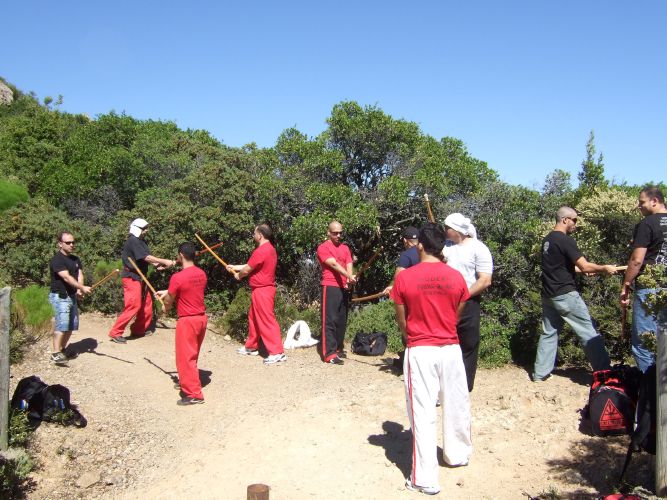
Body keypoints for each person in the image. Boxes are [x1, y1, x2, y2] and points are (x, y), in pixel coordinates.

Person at [390, 223, 471, 495]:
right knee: (456, 403)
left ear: (420, 245)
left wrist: (412, 334)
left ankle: (424, 478)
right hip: (450, 347)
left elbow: (402, 319)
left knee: (422, 412)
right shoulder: (456, 277)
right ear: (443, 246)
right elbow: (459, 310)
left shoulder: (404, 278)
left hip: (420, 348)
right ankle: (457, 454)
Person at [533, 207, 616, 382]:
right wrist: (604, 268)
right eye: (574, 220)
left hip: (549, 295)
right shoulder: (565, 240)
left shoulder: (547, 240)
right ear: (565, 220)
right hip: (565, 295)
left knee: (549, 333)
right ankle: (605, 374)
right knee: (588, 332)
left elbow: (561, 267)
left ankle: (539, 374)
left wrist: (584, 271)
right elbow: (585, 265)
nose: (576, 224)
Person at [442, 213, 493, 392]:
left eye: (447, 227)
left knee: (468, 343)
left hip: (469, 303)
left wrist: (463, 295)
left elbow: (485, 280)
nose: (445, 230)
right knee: (444, 344)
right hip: (444, 303)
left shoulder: (479, 248)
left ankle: (464, 386)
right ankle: (444, 386)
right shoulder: (445, 248)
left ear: (456, 230)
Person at [620, 185, 667, 373]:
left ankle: (649, 393)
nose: (639, 207)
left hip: (651, 288)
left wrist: (626, 284)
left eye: (641, 202)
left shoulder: (647, 224)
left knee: (643, 344)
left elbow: (637, 260)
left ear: (654, 201)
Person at [156, 242, 208, 406]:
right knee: (192, 355)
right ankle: (187, 381)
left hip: (188, 321)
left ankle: (194, 394)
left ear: (181, 255)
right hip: (201, 319)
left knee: (185, 358)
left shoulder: (177, 277)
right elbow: (186, 289)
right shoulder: (201, 274)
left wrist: (165, 306)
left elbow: (171, 299)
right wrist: (167, 292)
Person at [108, 218, 176, 344]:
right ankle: (116, 332)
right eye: (144, 228)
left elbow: (146, 259)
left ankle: (138, 330)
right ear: (137, 229)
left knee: (147, 304)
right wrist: (164, 261)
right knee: (133, 305)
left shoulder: (141, 242)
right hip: (131, 277)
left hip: (141, 277)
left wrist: (157, 265)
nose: (147, 231)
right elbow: (147, 257)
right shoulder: (133, 240)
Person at [227, 224, 286, 365]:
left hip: (263, 290)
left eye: (254, 233)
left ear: (260, 235)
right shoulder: (269, 249)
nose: (253, 235)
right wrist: (234, 267)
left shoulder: (261, 250)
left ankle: (277, 352)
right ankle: (251, 347)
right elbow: (251, 265)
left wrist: (238, 276)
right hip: (261, 289)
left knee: (266, 319)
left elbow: (247, 270)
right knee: (253, 318)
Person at [48, 232, 92, 365]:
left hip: (71, 296)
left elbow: (79, 274)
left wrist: (79, 289)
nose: (72, 245)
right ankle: (55, 353)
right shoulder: (57, 260)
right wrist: (83, 287)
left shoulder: (75, 259)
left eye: (73, 242)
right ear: (60, 244)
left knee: (71, 325)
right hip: (60, 297)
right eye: (68, 243)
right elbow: (66, 277)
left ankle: (62, 350)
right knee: (61, 326)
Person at [317, 221, 356, 364]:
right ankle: (329, 354)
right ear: (328, 232)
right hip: (330, 285)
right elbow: (333, 264)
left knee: (341, 320)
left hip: (343, 287)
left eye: (340, 232)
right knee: (330, 320)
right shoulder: (323, 247)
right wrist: (348, 276)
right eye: (335, 232)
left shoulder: (345, 248)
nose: (338, 235)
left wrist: (349, 280)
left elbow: (349, 262)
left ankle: (338, 348)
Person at [382, 226, 420, 370]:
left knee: (407, 328)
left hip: (410, 299)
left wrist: (392, 288)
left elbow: (399, 276)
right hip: (428, 298)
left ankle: (409, 362)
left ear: (405, 240)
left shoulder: (407, 255)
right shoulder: (430, 253)